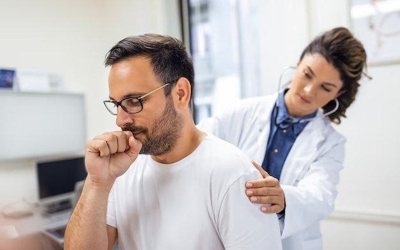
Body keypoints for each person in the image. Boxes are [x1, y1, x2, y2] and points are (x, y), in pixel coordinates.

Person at [64, 34, 282, 250]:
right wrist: (97, 183)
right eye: (117, 104)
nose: (121, 120)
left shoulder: (232, 174)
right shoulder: (121, 170)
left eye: (134, 101)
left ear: (180, 93)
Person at [198, 27, 369, 250]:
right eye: (307, 74)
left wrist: (284, 198)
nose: (308, 91)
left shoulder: (330, 143)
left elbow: (321, 195)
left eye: (325, 88)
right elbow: (198, 143)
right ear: (298, 63)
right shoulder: (242, 112)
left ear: (337, 94)